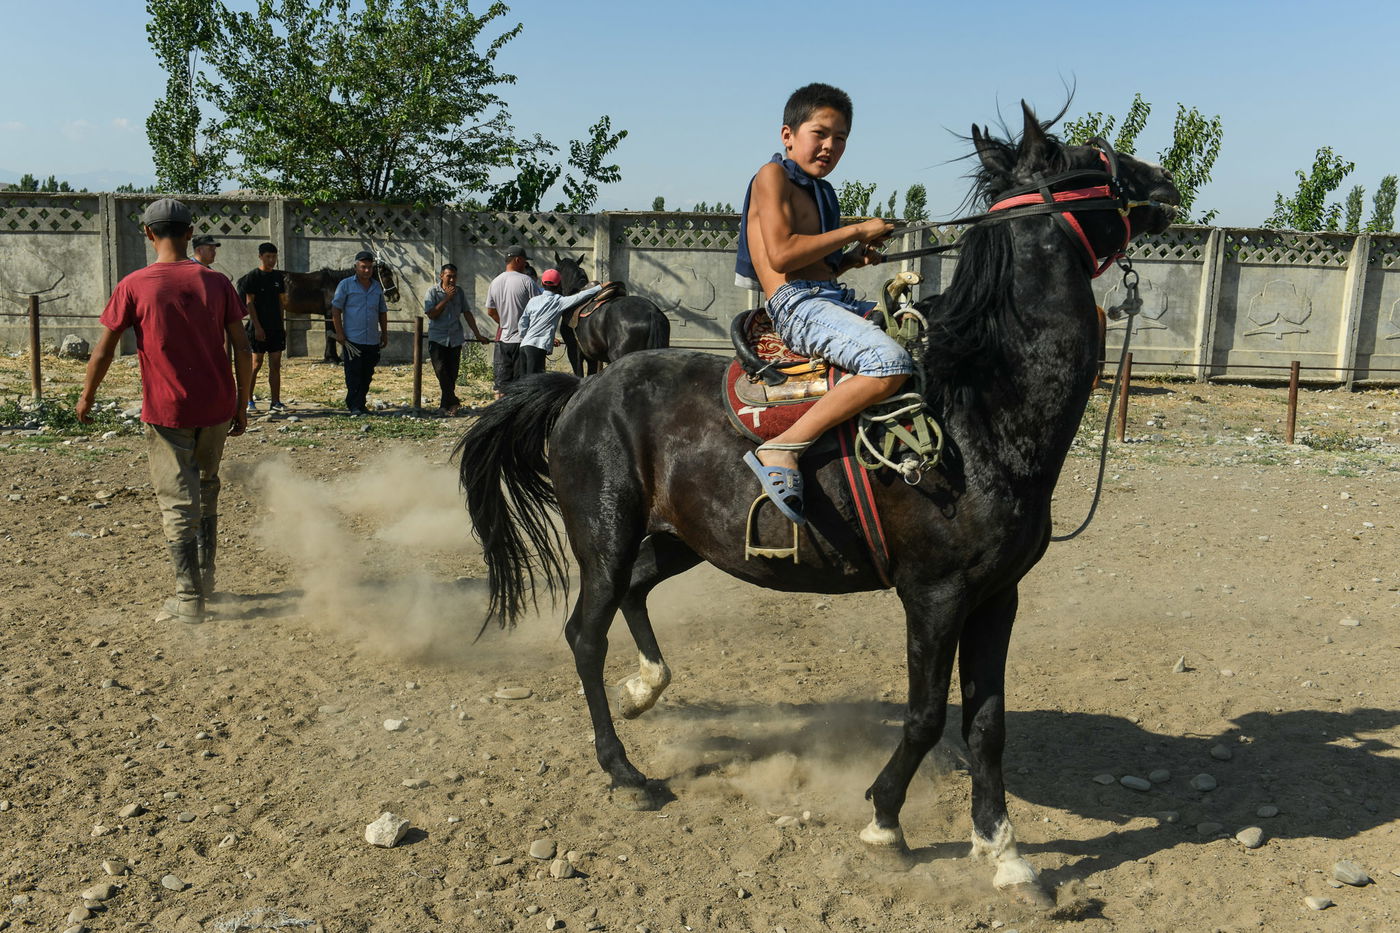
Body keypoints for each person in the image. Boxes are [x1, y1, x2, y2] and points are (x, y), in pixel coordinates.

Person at [735, 82, 912, 525]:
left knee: (920, 329)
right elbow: (781, 255)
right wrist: (855, 231)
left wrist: (852, 259)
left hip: (825, 295)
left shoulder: (823, 192)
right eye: (820, 133)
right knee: (887, 362)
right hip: (796, 306)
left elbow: (819, 267)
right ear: (787, 135)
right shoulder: (771, 176)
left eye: (841, 139)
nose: (830, 146)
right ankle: (783, 447)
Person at [76, 197, 252, 624]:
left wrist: (87, 396)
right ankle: (206, 580)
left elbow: (103, 350)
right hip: (217, 406)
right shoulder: (217, 283)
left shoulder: (135, 285)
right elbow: (242, 348)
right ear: (190, 234)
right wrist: (241, 403)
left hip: (167, 409)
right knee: (207, 487)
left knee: (177, 501)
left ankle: (189, 599)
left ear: (148, 234)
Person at [422, 262, 490, 414]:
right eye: (449, 277)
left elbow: (467, 313)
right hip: (438, 338)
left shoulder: (459, 292)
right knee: (441, 371)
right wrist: (446, 299)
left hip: (455, 338)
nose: (452, 280)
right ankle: (453, 402)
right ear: (441, 276)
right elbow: (431, 314)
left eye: (454, 277)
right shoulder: (432, 292)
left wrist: (477, 334)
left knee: (452, 374)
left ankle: (445, 406)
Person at [331, 249, 389, 415]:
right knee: (353, 373)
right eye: (363, 267)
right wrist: (339, 333)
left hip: (371, 339)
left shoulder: (377, 286)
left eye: (369, 267)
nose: (366, 270)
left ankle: (361, 404)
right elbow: (336, 310)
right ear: (356, 267)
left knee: (367, 373)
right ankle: (354, 405)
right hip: (352, 340)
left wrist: (384, 333)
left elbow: (382, 311)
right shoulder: (346, 285)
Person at [516, 269, 602, 376]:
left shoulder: (533, 300)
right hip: (537, 348)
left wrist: (526, 337)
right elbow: (579, 296)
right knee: (534, 382)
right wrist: (600, 287)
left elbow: (522, 323)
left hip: (524, 346)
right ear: (559, 285)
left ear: (542, 283)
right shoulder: (558, 301)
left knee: (523, 381)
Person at [238, 242, 288, 412]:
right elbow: (249, 303)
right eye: (268, 256)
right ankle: (248, 400)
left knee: (275, 365)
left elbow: (281, 302)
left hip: (276, 328)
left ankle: (275, 401)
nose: (271, 260)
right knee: (256, 364)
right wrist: (258, 327)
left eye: (274, 256)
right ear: (260, 256)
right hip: (257, 328)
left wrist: (281, 324)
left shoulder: (278, 278)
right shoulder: (252, 277)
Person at [484, 244, 540, 398]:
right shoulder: (527, 281)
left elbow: (490, 311)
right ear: (517, 260)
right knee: (520, 386)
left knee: (502, 387)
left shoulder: (495, 282)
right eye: (524, 262)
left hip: (503, 341)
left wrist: (504, 324)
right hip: (522, 341)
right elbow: (538, 309)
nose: (525, 265)